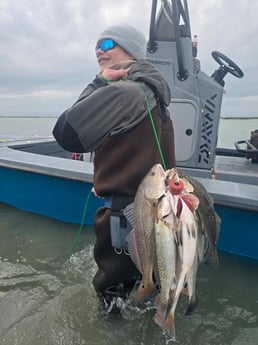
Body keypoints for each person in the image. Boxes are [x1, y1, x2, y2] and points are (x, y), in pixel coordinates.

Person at [53, 24, 176, 310]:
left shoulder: (122, 91)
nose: (99, 50)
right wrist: (111, 177)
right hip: (158, 215)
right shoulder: (156, 93)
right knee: (150, 291)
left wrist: (97, 83)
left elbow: (66, 133)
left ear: (130, 49)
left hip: (125, 219)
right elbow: (146, 149)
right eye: (96, 45)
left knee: (112, 299)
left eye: (107, 44)